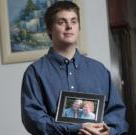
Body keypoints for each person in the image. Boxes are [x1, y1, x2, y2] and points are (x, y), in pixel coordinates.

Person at [21, 1, 128, 135]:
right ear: (49, 28)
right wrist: (77, 129)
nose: (69, 27)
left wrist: (108, 132)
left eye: (74, 21)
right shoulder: (35, 73)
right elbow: (34, 120)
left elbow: (116, 113)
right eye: (62, 22)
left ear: (79, 27)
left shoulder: (99, 70)